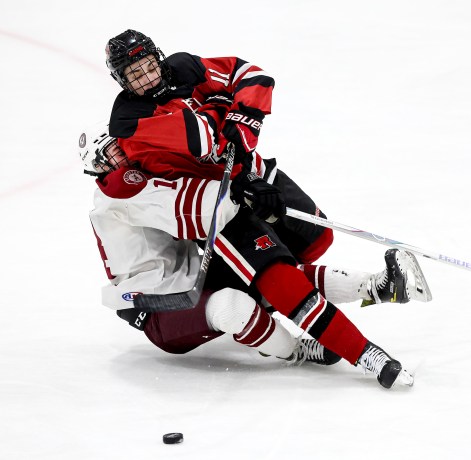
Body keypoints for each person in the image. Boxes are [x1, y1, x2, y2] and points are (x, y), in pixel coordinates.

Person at [81, 125, 428, 388]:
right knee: (232, 306)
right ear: (98, 168)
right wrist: (238, 187)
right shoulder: (120, 194)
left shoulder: (135, 180)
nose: (122, 155)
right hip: (160, 307)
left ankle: (377, 287)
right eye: (110, 154)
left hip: (194, 279)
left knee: (271, 274)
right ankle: (295, 350)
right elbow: (191, 210)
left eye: (119, 146)